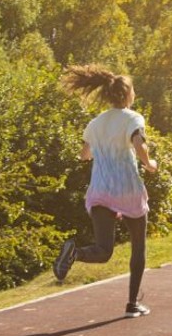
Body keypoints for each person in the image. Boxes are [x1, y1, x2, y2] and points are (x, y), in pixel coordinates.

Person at [53, 64, 158, 318]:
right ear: (127, 95)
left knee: (103, 251)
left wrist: (101, 150)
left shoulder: (95, 123)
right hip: (127, 189)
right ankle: (132, 304)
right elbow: (138, 144)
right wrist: (149, 164)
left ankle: (74, 253)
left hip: (100, 190)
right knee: (138, 249)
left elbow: (84, 155)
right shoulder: (133, 118)